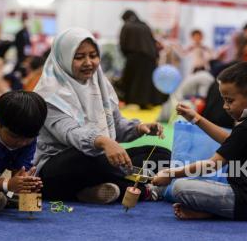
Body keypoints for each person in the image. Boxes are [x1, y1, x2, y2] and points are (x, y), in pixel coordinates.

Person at [34, 27, 171, 204]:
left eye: (93, 55)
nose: (89, 62)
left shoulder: (99, 84)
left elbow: (114, 125)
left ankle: (96, 190)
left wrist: (138, 128)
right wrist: (102, 142)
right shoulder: (49, 95)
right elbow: (70, 133)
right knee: (87, 159)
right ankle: (143, 187)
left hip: (102, 160)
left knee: (161, 155)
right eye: (79, 57)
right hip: (61, 167)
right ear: (64, 58)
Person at [152, 62, 247, 220]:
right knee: (196, 183)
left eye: (230, 100)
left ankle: (212, 212)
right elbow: (229, 140)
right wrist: (197, 119)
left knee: (180, 187)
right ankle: (208, 211)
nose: (225, 107)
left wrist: (171, 173)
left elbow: (211, 165)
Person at [119, 10, 165, 109]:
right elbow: (153, 43)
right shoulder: (145, 26)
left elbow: (123, 44)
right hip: (150, 59)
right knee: (147, 82)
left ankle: (132, 101)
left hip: (134, 58)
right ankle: (147, 102)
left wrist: (127, 56)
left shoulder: (127, 26)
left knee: (134, 81)